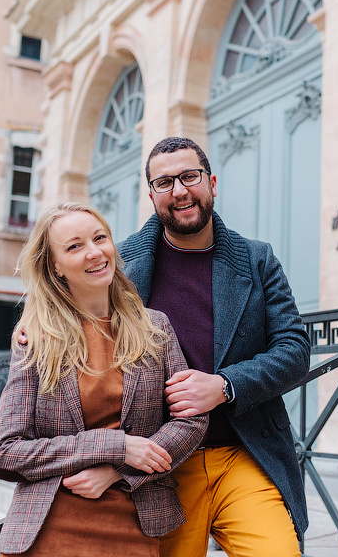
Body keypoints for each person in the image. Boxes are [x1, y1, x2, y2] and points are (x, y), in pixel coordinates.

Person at [117, 137, 312, 557]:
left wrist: (225, 385)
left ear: (212, 183)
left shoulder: (257, 259)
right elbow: (66, 308)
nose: (180, 191)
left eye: (190, 176)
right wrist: (33, 329)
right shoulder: (120, 265)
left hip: (244, 454)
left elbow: (294, 349)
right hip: (161, 464)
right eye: (165, 182)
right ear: (151, 195)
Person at [0, 201, 208, 556]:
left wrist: (118, 471)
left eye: (99, 238)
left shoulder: (156, 328)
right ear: (55, 266)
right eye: (75, 246)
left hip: (136, 521)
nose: (94, 253)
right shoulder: (38, 339)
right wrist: (113, 446)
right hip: (50, 523)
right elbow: (5, 453)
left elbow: (191, 422)